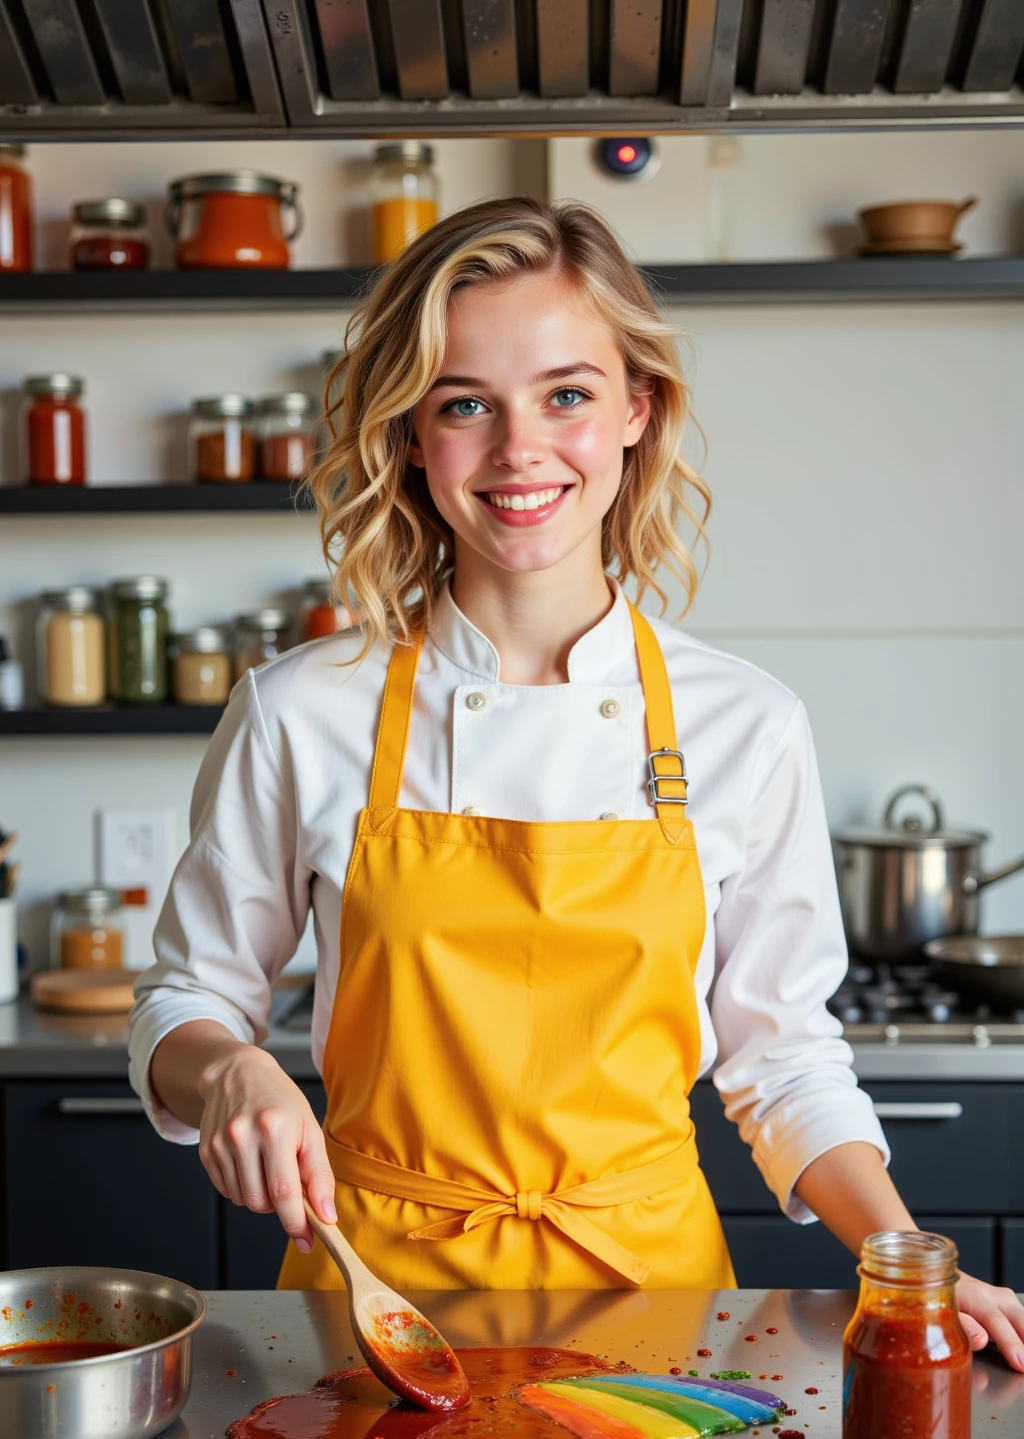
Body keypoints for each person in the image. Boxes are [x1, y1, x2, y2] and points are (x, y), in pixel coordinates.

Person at [129, 197, 1024, 1366]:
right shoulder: (301, 710)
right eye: (465, 406)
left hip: (653, 1313)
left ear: (635, 410)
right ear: (409, 434)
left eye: (566, 394)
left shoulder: (744, 723)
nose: (519, 452)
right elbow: (179, 1007)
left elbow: (782, 1058)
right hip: (370, 1311)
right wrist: (234, 1067)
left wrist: (908, 1264)